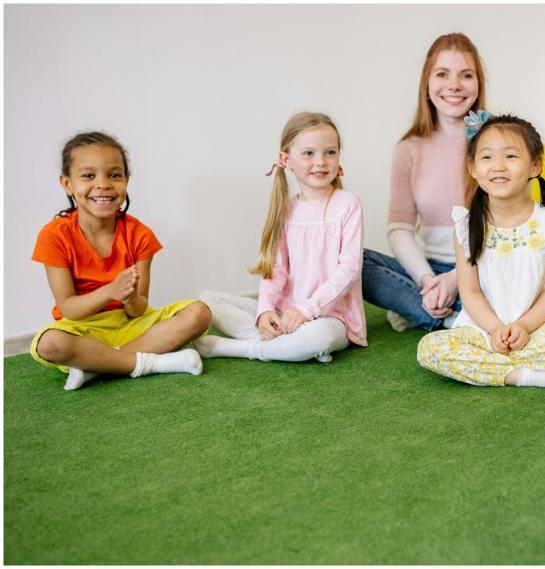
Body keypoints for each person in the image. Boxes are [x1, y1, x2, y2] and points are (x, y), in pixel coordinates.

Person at [417, 113, 545, 388]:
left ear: (535, 165)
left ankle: (493, 369)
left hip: (539, 329)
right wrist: (494, 330)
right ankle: (525, 375)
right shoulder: (465, 226)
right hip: (485, 333)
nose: (498, 166)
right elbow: (470, 291)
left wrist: (525, 327)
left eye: (511, 157)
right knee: (429, 348)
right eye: (487, 157)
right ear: (473, 167)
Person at [31, 132, 211, 391]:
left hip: (131, 325)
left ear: (126, 181)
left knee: (199, 313)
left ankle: (99, 365)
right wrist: (110, 291)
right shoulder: (54, 236)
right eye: (88, 175)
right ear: (67, 184)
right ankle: (152, 363)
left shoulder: (140, 235)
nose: (103, 184)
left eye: (114, 175)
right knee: (49, 343)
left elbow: (138, 309)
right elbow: (69, 308)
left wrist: (130, 299)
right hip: (84, 328)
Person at [196, 112, 366, 363]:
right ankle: (286, 343)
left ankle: (241, 348)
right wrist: (265, 310)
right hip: (286, 312)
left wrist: (306, 310)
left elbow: (349, 271)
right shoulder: (286, 208)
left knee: (318, 337)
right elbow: (276, 269)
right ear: (286, 160)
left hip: (332, 316)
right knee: (208, 300)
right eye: (309, 153)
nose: (321, 161)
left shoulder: (348, 204)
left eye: (330, 152)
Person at [362, 32, 487, 332]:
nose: (454, 85)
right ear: (427, 84)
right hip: (429, 270)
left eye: (466, 75)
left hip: (483, 269)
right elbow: (399, 229)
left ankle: (428, 312)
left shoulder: (497, 140)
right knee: (356, 262)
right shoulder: (409, 149)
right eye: (442, 74)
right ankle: (446, 315)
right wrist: (428, 281)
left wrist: (457, 279)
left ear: (478, 83)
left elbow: (511, 228)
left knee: (514, 283)